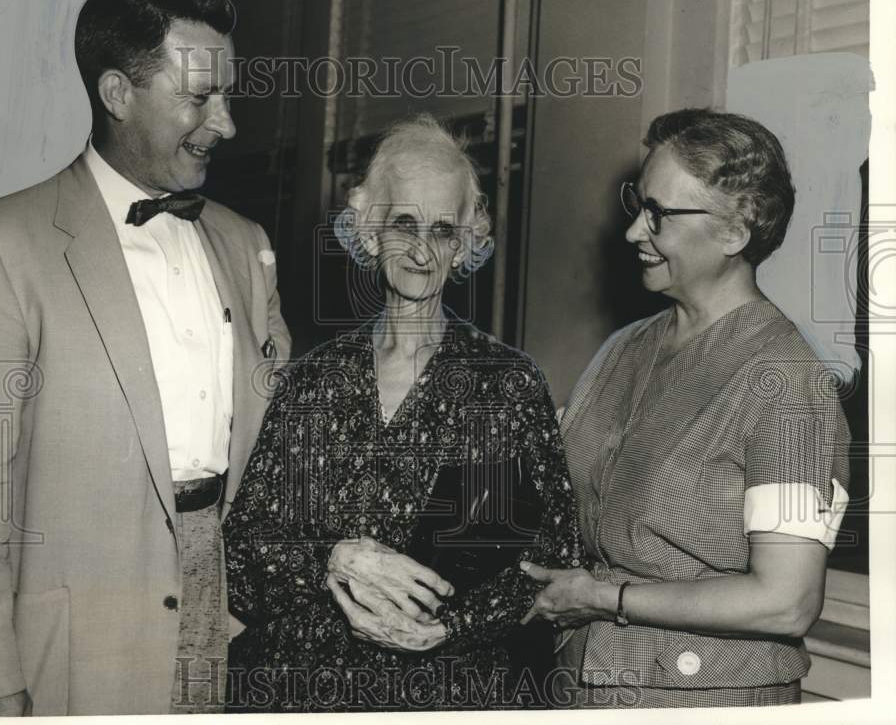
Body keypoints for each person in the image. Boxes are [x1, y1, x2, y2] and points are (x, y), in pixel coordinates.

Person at [0, 0, 290, 716]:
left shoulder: (246, 244)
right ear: (118, 94)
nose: (226, 123)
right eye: (198, 97)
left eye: (227, 95)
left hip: (234, 625)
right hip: (75, 646)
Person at [221, 114, 584, 711]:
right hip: (300, 691)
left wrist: (448, 628)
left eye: (442, 230)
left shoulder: (505, 384)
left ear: (466, 245)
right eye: (403, 224)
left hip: (444, 691)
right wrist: (333, 559)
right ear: (369, 233)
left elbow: (553, 560)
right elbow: (243, 553)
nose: (420, 249)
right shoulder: (314, 381)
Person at [520, 108, 850, 708]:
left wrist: (601, 598)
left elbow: (786, 599)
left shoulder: (788, 383)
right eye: (637, 204)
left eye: (660, 216)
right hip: (587, 686)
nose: (633, 233)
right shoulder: (625, 348)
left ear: (736, 230)